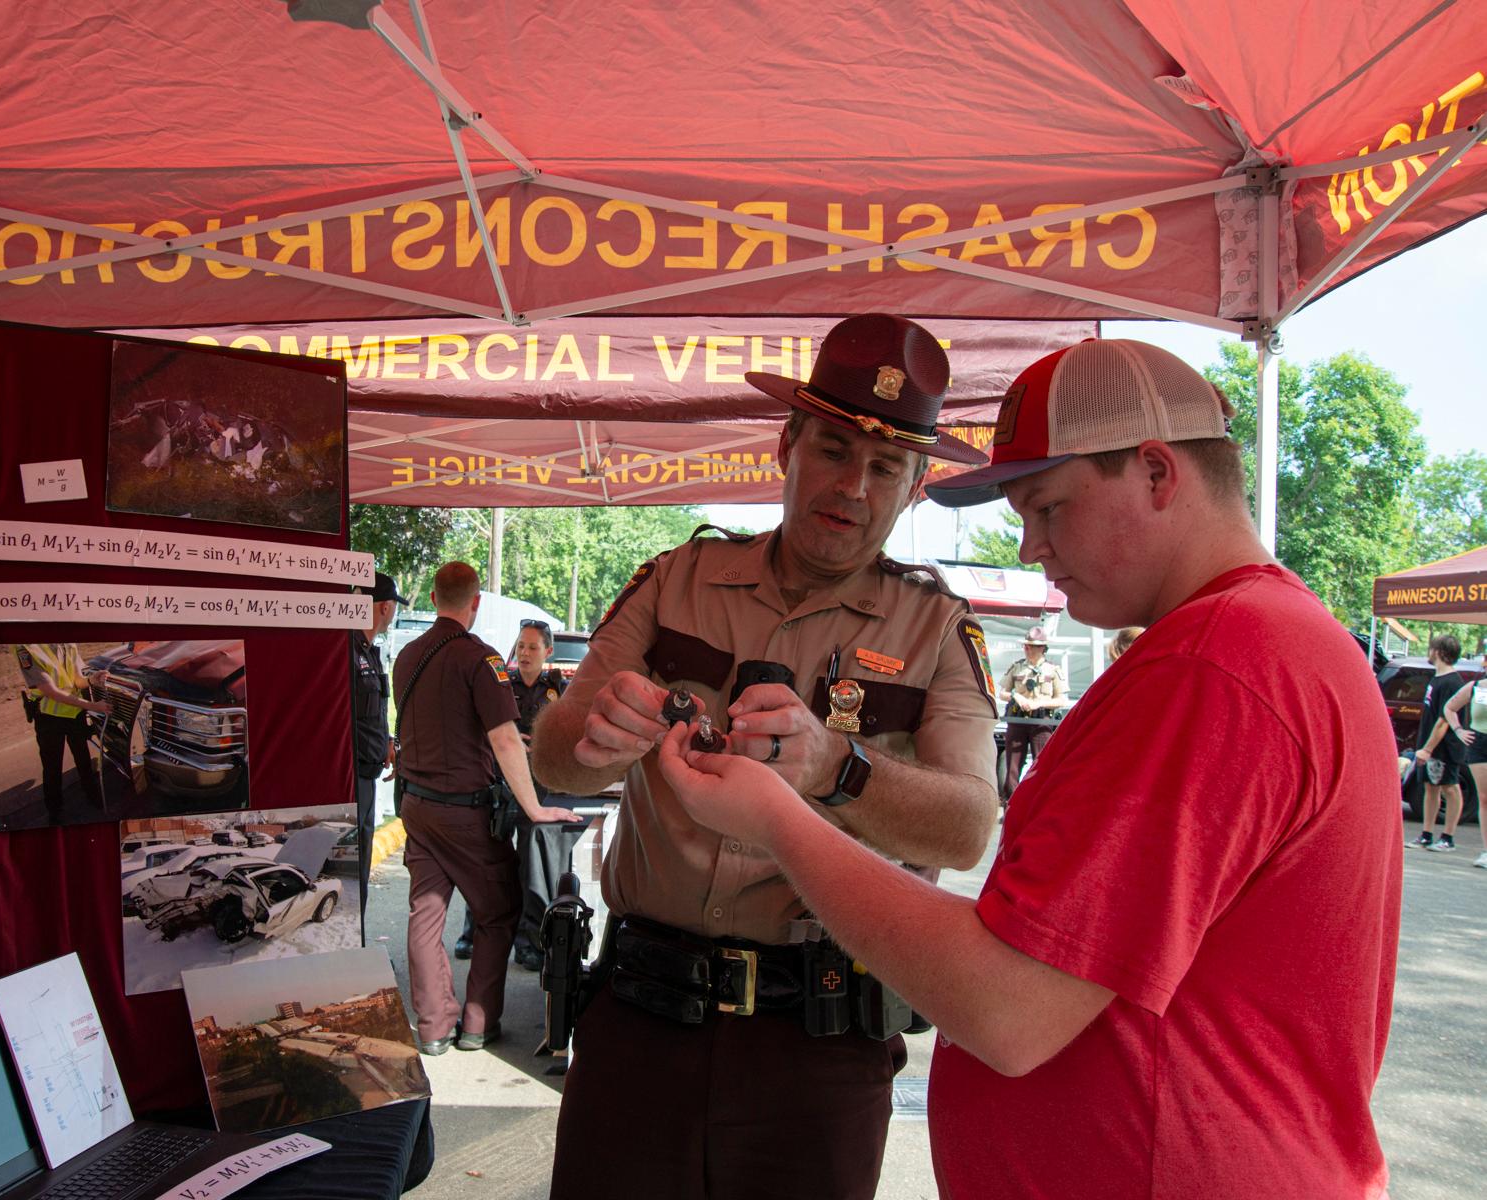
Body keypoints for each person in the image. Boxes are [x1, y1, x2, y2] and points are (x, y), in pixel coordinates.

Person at [648, 338, 1403, 1199]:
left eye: (1047, 507)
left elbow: (1007, 1006)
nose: (1032, 546)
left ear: (1157, 474)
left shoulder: (1215, 663)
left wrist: (776, 817)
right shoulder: (1269, 642)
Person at [531, 314, 999, 1200]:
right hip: (639, 1024)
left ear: (915, 487)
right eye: (831, 448)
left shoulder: (936, 628)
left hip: (817, 1049)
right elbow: (555, 757)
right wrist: (599, 736)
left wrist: (836, 768)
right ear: (786, 444)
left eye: (885, 468)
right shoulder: (675, 580)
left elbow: (970, 825)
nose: (852, 486)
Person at [395, 562, 580, 1057]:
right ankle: (477, 1023)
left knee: (426, 913)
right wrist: (535, 809)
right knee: (498, 912)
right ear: (475, 603)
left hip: (417, 807)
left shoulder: (406, 655)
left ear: (433, 597)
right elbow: (505, 740)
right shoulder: (481, 661)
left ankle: (433, 1027)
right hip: (465, 812)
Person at [455, 618, 572, 968]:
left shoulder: (558, 690)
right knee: (487, 861)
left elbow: (568, 736)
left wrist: (543, 743)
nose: (524, 653)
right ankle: (471, 934)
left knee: (529, 869)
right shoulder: (502, 683)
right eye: (521, 645)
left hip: (538, 788)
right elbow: (481, 728)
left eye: (532, 647)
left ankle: (527, 943)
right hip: (499, 784)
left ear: (547, 652)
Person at [350, 570, 408, 927]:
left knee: (360, 859)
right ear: (385, 608)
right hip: (349, 776)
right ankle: (353, 942)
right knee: (351, 864)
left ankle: (359, 937)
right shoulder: (345, 648)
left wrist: (386, 741)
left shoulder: (370, 651)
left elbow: (370, 714)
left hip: (368, 773)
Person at [17, 643, 110, 823]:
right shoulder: (27, 647)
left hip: (75, 713)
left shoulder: (67, 643)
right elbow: (50, 691)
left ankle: (92, 796)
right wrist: (92, 706)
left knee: (83, 760)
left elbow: (77, 680)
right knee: (52, 767)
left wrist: (92, 679)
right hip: (49, 718)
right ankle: (55, 811)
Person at [1409, 633, 1468, 852]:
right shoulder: (1437, 679)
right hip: (1429, 746)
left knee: (1450, 787)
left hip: (1446, 747)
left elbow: (1444, 721)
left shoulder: (1453, 682)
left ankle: (1448, 837)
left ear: (1440, 652)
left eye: (1432, 648)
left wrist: (1428, 748)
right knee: (1429, 787)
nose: (1429, 651)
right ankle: (1426, 834)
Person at [996, 625, 1065, 798]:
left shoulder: (1052, 670)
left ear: (1042, 648)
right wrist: (1015, 696)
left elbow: (1061, 700)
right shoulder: (1018, 667)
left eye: (1031, 646)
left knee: (1042, 766)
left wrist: (1039, 703)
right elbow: (1002, 692)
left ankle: (1038, 803)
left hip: (1041, 723)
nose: (1027, 649)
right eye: (1025, 646)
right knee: (1012, 767)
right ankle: (1009, 805)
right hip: (1018, 720)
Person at [1441, 676, 1487, 868]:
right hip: (1479, 744)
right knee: (1484, 798)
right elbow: (1449, 708)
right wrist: (1459, 730)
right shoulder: (1476, 687)